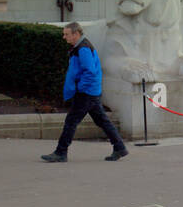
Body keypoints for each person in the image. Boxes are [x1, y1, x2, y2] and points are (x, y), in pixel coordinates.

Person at [42, 22, 128, 163]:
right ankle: (119, 147)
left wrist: (80, 88)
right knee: (102, 121)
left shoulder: (82, 49)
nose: (64, 37)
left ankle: (61, 152)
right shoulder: (82, 47)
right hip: (90, 92)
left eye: (66, 34)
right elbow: (89, 71)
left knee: (71, 121)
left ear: (76, 34)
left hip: (86, 93)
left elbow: (90, 72)